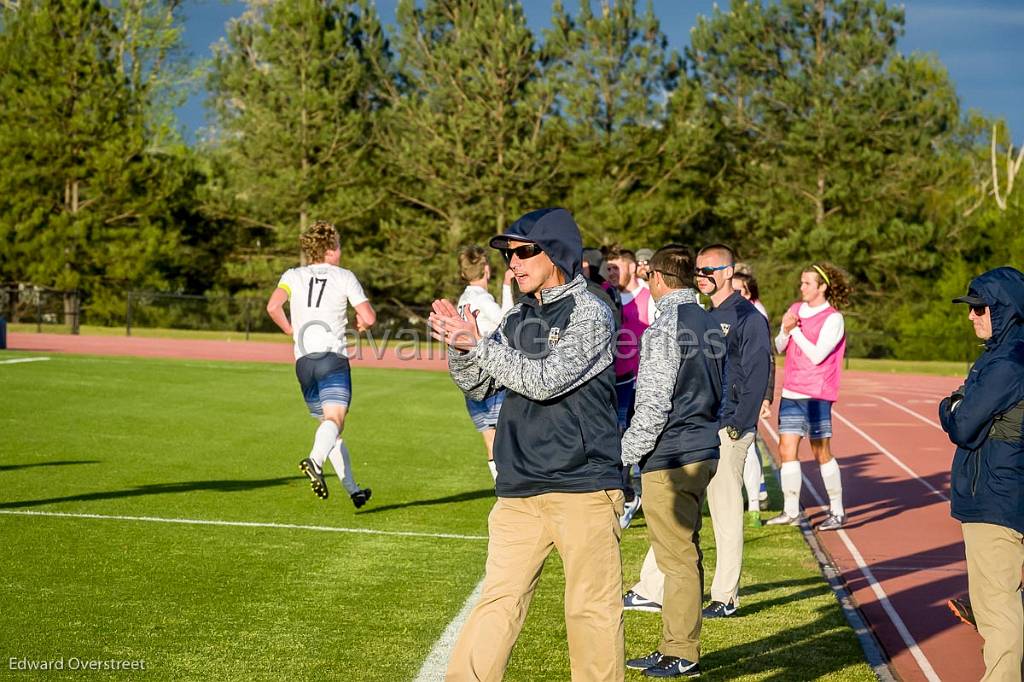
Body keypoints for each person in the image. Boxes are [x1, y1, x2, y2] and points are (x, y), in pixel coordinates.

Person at [429, 208, 625, 682]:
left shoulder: (592, 311)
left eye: (522, 252)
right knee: (497, 603)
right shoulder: (519, 312)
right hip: (520, 486)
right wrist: (461, 347)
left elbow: (545, 380)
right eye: (508, 255)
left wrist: (479, 345)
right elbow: (478, 385)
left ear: (555, 252)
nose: (512, 263)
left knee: (591, 613)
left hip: (583, 485)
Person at [621, 245, 724, 678]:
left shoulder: (664, 326)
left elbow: (653, 402)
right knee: (685, 553)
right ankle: (675, 646)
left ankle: (681, 651)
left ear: (659, 279)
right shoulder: (709, 321)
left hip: (672, 453)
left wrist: (624, 455)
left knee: (677, 559)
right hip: (701, 446)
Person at [939, 266, 1024, 681]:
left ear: (1004, 309)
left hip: (996, 495)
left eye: (979, 308)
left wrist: (952, 401)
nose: (971, 316)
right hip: (1007, 489)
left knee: (996, 607)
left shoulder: (1007, 362)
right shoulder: (1005, 355)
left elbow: (963, 425)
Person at [265, 220, 375, 508]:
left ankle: (353, 490)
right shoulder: (343, 276)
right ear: (329, 249)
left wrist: (290, 330)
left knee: (330, 428)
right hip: (331, 359)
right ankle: (314, 461)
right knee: (334, 421)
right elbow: (369, 316)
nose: (340, 250)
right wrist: (361, 321)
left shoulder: (292, 275)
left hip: (303, 364)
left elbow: (273, 306)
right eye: (337, 245)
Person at [691, 244, 772, 618]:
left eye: (708, 269)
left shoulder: (748, 316)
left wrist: (739, 424)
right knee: (683, 506)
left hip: (729, 427)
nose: (702, 276)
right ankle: (654, 587)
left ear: (728, 271)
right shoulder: (708, 314)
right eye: (698, 270)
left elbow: (757, 375)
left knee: (725, 513)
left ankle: (725, 596)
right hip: (702, 422)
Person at [767, 262, 851, 530]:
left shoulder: (833, 318)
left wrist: (795, 331)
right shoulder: (794, 310)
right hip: (791, 391)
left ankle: (837, 511)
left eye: (807, 283)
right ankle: (791, 511)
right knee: (786, 450)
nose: (801, 287)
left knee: (820, 452)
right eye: (801, 282)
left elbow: (817, 355)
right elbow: (779, 346)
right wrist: (784, 330)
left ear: (822, 287)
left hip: (817, 395)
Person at [607, 247, 657, 528]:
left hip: (641, 382)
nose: (611, 274)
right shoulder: (605, 294)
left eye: (615, 268)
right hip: (616, 379)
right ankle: (626, 495)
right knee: (617, 438)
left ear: (630, 268)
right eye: (608, 269)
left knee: (639, 441)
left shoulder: (648, 297)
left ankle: (634, 496)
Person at [455, 246, 513, 481]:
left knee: (491, 442)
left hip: (471, 380)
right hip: (491, 378)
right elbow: (507, 322)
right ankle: (512, 493)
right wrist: (508, 286)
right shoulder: (482, 300)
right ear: (487, 270)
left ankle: (502, 491)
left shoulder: (462, 299)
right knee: (507, 441)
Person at [732, 271, 771, 521]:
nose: (737, 296)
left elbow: (767, 361)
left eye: (741, 291)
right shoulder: (725, 314)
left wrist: (765, 395)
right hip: (730, 390)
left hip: (748, 390)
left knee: (748, 444)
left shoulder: (757, 318)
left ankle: (755, 502)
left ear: (750, 293)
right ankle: (746, 498)